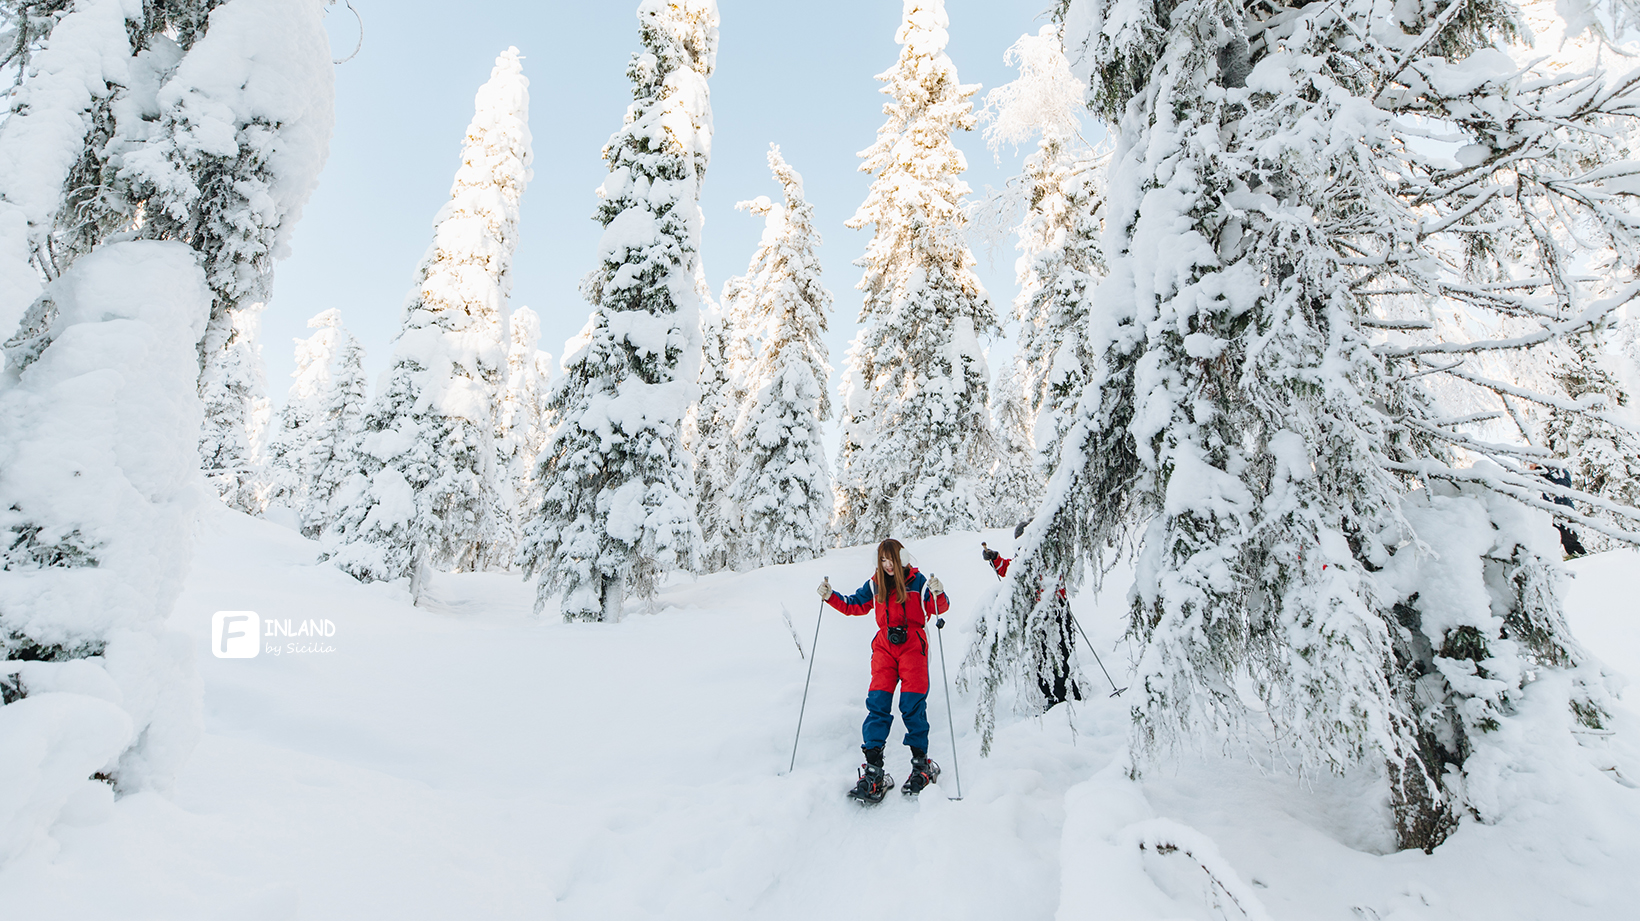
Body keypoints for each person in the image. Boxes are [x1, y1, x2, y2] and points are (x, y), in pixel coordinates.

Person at [816, 538, 949, 803]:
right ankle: (874, 771)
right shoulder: (874, 584)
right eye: (883, 560)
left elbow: (938, 608)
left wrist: (938, 593)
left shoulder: (918, 582)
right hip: (885, 648)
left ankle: (921, 765)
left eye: (891, 559)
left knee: (912, 705)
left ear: (901, 558)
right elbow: (854, 605)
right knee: (877, 704)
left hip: (913, 646)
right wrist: (831, 597)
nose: (887, 565)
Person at [980, 541, 1081, 707]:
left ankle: (1065, 696)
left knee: (1060, 653)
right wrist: (995, 559)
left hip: (1056, 610)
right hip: (1035, 615)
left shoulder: (1047, 553)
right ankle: (1051, 695)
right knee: (1040, 655)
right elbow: (1011, 570)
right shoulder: (1023, 559)